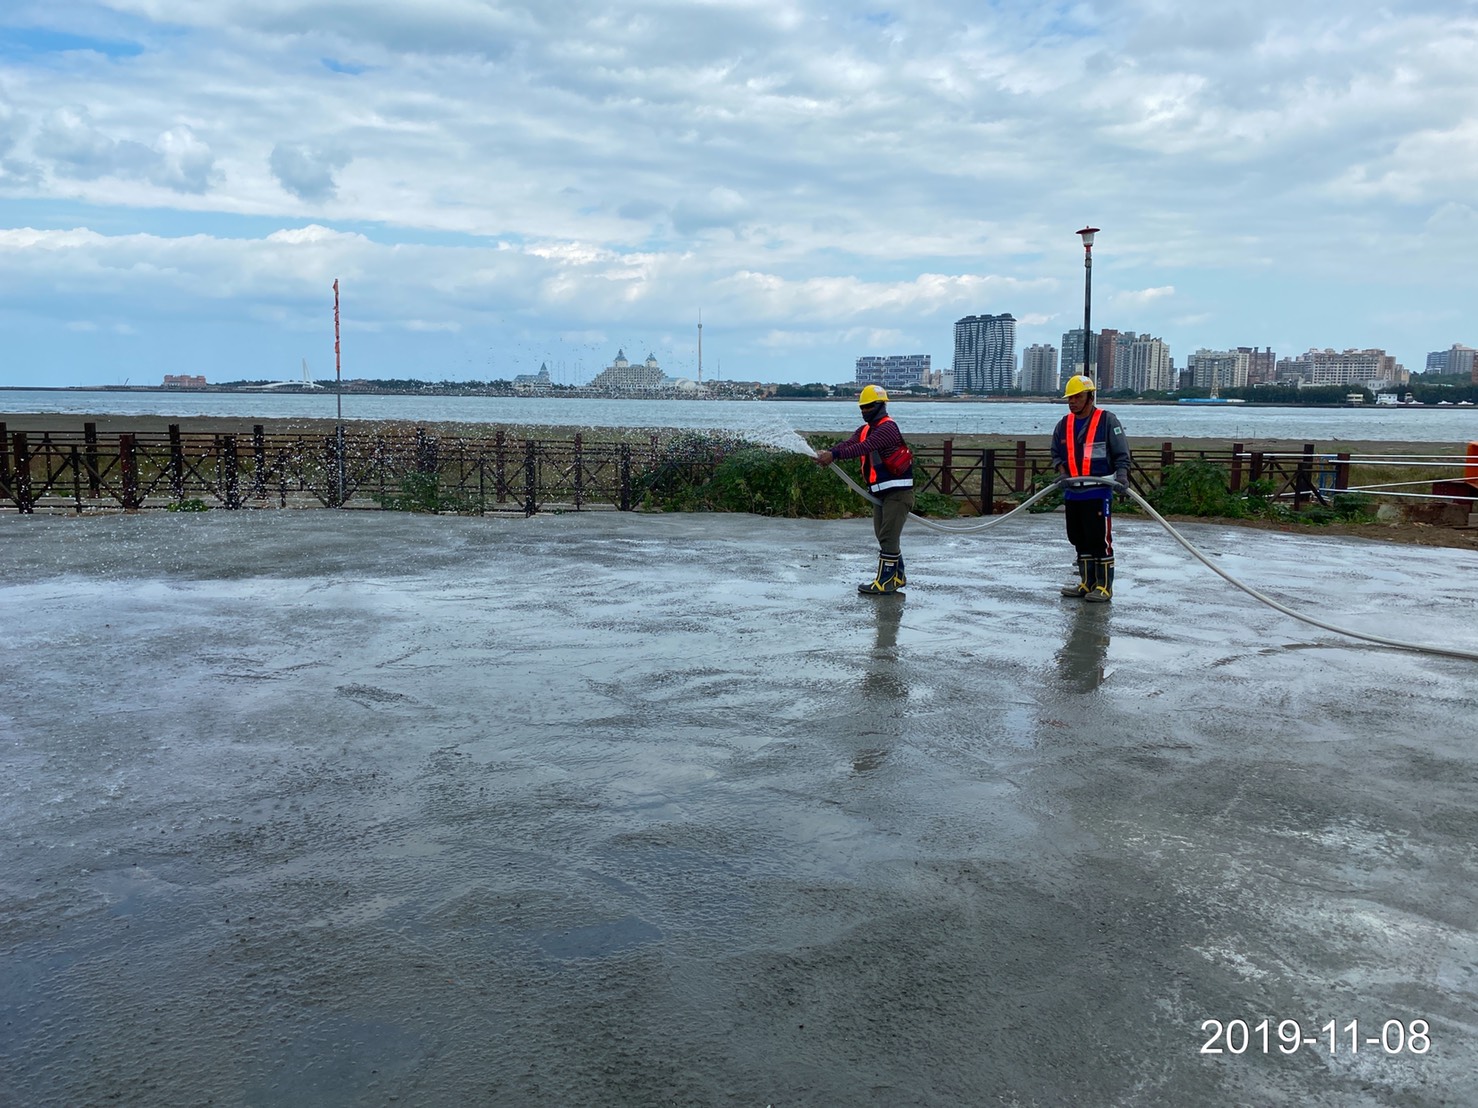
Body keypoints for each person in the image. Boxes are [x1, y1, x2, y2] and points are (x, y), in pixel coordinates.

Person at [814, 384, 915, 595]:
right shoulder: (866, 429)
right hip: (882, 493)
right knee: (884, 535)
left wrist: (834, 456)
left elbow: (864, 447)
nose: (864, 411)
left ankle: (885, 581)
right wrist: (830, 452)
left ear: (880, 405)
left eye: (868, 407)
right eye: (862, 407)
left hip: (898, 493)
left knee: (888, 536)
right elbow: (849, 443)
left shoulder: (888, 428)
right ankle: (898, 576)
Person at [1051, 374, 1131, 602]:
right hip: (1073, 492)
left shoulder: (1107, 421)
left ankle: (1104, 586)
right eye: (1070, 398)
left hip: (1099, 490)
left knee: (1099, 539)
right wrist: (1062, 473)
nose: (1072, 401)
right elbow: (1056, 453)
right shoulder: (1063, 425)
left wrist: (1122, 476)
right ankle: (1087, 583)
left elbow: (1121, 453)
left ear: (1090, 397)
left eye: (1077, 397)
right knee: (1078, 537)